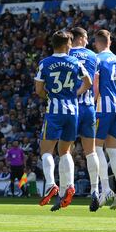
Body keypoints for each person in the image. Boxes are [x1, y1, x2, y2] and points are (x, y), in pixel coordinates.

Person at [34, 30, 92, 211]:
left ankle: (51, 184)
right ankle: (69, 186)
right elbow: (88, 82)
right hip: (73, 111)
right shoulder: (75, 62)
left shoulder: (45, 63)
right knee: (65, 151)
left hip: (55, 111)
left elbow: (38, 90)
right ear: (66, 44)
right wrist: (75, 94)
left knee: (46, 151)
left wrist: (49, 97)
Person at [69, 27, 103, 210]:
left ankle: (67, 189)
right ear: (80, 38)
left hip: (71, 108)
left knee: (66, 150)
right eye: (86, 37)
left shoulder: (65, 54)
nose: (88, 39)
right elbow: (95, 84)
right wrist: (92, 102)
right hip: (89, 107)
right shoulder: (93, 56)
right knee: (91, 152)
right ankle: (95, 190)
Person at [93, 29, 116, 210]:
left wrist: (92, 102)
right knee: (112, 150)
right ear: (110, 42)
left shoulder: (98, 59)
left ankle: (105, 188)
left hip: (102, 107)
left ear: (97, 43)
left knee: (96, 147)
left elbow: (96, 85)